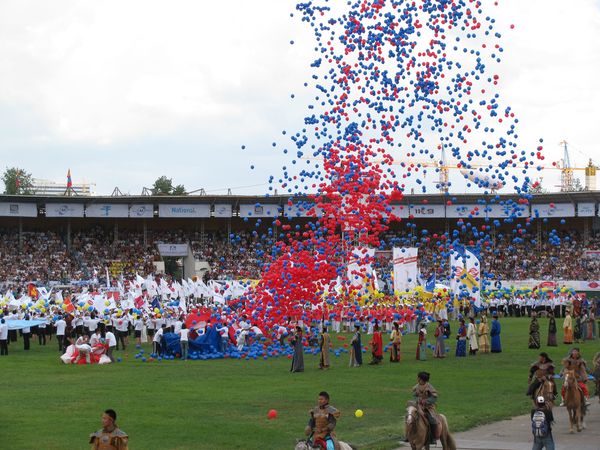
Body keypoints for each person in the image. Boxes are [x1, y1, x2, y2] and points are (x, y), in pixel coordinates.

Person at [412, 371, 438, 445]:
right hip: (418, 406)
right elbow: (414, 395)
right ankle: (408, 435)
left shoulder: (430, 387)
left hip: (428, 407)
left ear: (422, 379)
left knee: (432, 420)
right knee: (409, 417)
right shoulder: (416, 386)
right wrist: (418, 400)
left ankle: (433, 437)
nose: (417, 379)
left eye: (418, 378)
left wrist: (426, 401)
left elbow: (434, 398)